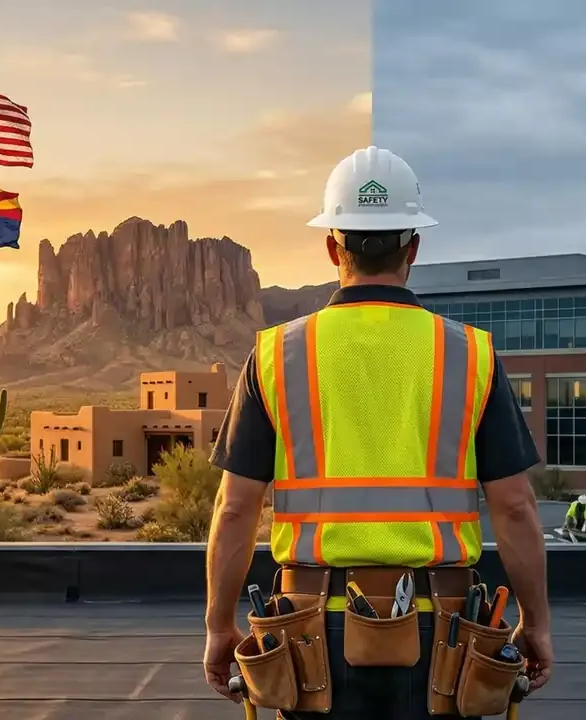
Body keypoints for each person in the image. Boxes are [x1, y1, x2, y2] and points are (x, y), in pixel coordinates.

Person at [201, 146, 553, 719]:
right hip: (443, 635)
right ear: (413, 247)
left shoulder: (276, 355)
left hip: (309, 632)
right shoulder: (470, 355)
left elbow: (236, 508)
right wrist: (535, 623)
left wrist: (219, 626)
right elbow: (514, 507)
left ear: (331, 247)